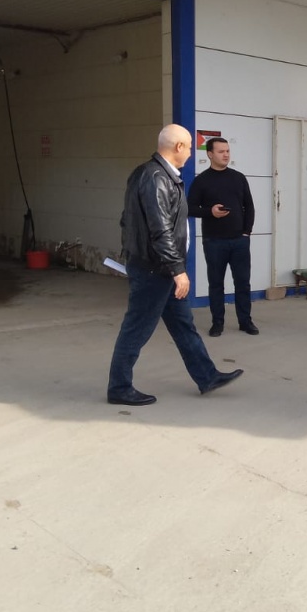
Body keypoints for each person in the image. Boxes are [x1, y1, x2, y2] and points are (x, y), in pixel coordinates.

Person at [107, 124, 243, 405]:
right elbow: (160, 230)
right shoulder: (156, 178)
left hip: (161, 267)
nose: (192, 152)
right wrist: (178, 270)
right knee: (136, 328)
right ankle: (119, 387)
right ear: (178, 147)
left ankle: (207, 376)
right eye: (190, 147)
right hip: (155, 269)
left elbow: (127, 220)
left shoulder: (152, 174)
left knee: (183, 325)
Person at [187, 137, 259, 337]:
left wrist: (246, 232)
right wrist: (210, 211)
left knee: (243, 283)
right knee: (216, 283)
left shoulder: (238, 178)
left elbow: (249, 206)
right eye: (221, 151)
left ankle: (245, 322)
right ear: (210, 154)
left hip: (239, 241)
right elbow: (189, 208)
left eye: (227, 151)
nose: (226, 155)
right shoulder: (202, 181)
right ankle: (217, 323)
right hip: (214, 241)